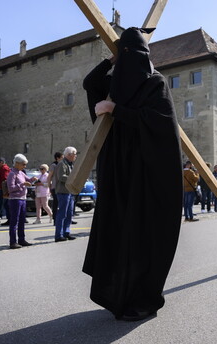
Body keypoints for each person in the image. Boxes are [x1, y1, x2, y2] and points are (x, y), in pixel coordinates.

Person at [81, 27, 183, 321]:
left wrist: (116, 109)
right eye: (122, 58)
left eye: (129, 56)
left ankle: (143, 301)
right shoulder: (115, 84)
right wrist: (111, 61)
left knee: (143, 238)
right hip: (121, 176)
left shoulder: (156, 83)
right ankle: (119, 298)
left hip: (148, 178)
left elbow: (161, 125)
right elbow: (90, 84)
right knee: (120, 236)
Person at [6, 153, 34, 249]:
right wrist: (22, 184)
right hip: (15, 200)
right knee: (14, 221)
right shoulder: (12, 173)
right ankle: (13, 242)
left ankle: (21, 239)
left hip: (22, 199)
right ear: (17, 163)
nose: (25, 166)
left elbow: (28, 181)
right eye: (23, 164)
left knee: (22, 221)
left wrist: (33, 179)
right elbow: (11, 188)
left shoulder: (21, 173)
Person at [54, 146, 77, 242]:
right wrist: (73, 178)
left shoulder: (70, 164)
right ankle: (59, 235)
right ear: (69, 155)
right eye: (74, 154)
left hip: (69, 192)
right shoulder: (62, 164)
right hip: (63, 192)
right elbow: (61, 177)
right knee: (62, 214)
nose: (75, 156)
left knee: (69, 214)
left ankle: (66, 233)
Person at [46, 152, 63, 225]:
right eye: (62, 157)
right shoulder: (54, 165)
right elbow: (49, 176)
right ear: (57, 158)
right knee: (56, 203)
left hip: (61, 187)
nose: (63, 159)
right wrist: (49, 186)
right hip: (55, 187)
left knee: (61, 203)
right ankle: (55, 219)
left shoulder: (62, 165)